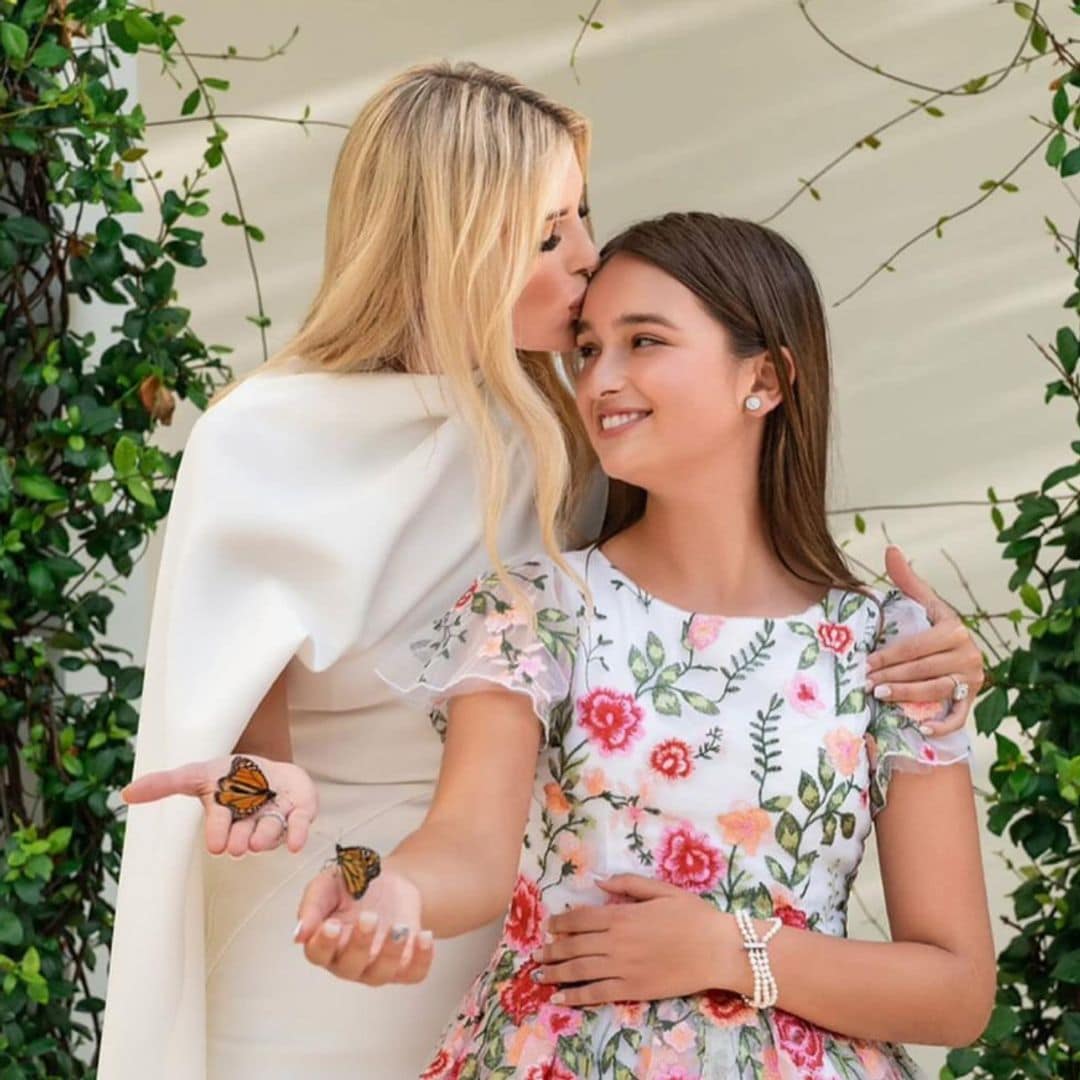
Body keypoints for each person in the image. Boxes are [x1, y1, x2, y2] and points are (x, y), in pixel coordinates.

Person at [102, 62, 984, 1080]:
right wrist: (268, 796)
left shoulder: (559, 438)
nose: (588, 258)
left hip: (547, 958)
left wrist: (930, 664)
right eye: (547, 232)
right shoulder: (268, 437)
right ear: (455, 240)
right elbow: (252, 761)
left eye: (583, 218)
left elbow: (718, 616)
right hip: (340, 918)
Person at [294, 213, 996, 1079]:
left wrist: (729, 952)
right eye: (587, 349)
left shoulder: (890, 647)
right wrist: (392, 890)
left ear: (766, 378)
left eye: (645, 341)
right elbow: (468, 849)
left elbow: (956, 992)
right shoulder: (539, 604)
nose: (600, 380)